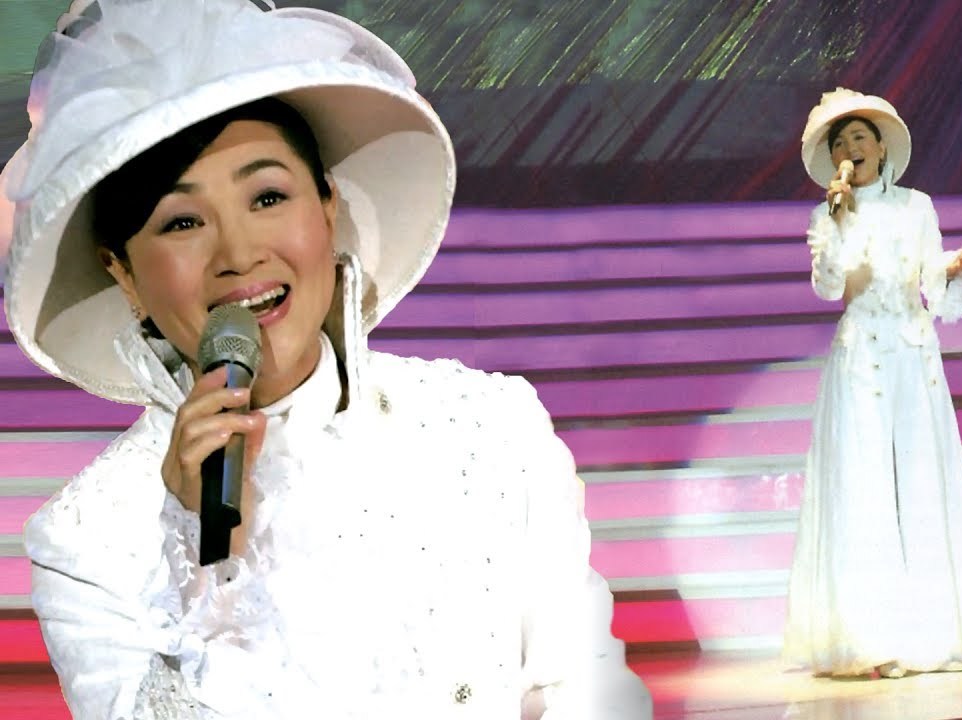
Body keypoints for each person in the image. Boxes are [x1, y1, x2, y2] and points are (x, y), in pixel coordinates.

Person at [2, 1, 653, 718]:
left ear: (327, 205)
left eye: (267, 197)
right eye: (182, 221)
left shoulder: (488, 425)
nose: (239, 254)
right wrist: (206, 565)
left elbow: (587, 688)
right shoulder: (88, 540)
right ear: (123, 273)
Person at [780, 88, 962, 679]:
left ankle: (936, 636)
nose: (850, 148)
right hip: (861, 356)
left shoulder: (916, 206)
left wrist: (949, 270)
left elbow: (930, 281)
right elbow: (828, 287)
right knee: (868, 487)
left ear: (881, 146)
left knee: (921, 482)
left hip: (912, 354)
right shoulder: (828, 214)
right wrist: (837, 221)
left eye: (859, 137)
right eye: (839, 143)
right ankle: (872, 641)